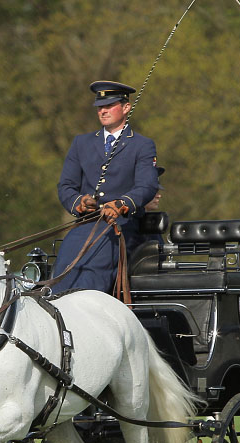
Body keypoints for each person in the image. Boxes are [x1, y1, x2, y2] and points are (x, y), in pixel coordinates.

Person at [52, 80, 159, 294]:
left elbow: (147, 185)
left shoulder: (142, 145)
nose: (103, 111)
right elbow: (66, 185)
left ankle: (85, 305)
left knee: (95, 262)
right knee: (66, 257)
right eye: (100, 107)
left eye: (109, 106)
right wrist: (79, 202)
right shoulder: (81, 143)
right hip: (86, 225)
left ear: (126, 107)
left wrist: (122, 203)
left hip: (122, 226)